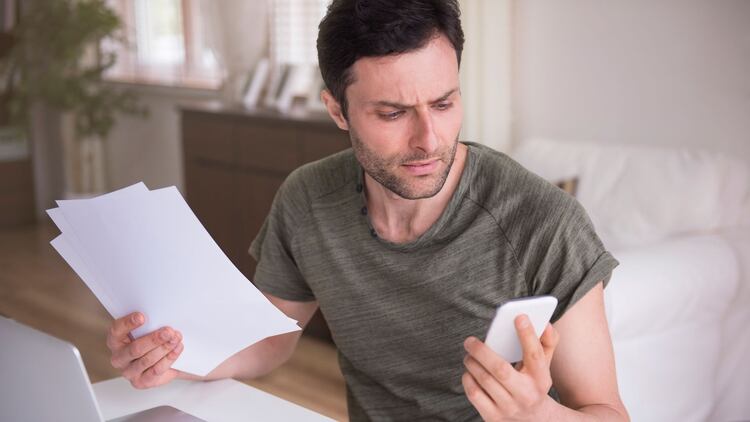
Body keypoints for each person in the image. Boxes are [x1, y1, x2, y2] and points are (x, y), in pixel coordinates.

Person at [105, 0, 630, 420]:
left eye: (444, 104)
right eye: (393, 113)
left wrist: (537, 415)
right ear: (337, 109)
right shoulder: (308, 199)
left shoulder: (543, 223)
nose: (429, 139)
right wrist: (176, 360)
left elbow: (608, 413)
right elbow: (271, 338)